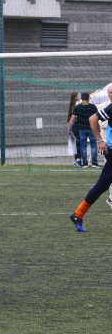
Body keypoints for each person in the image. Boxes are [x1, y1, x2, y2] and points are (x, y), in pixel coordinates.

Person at [69, 84, 112, 232]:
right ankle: (77, 214)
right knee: (102, 185)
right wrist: (100, 140)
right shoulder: (110, 108)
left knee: (103, 185)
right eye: (109, 93)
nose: (111, 95)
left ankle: (78, 214)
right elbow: (93, 119)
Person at [68, 92, 99, 168]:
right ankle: (94, 163)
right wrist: (98, 128)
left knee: (83, 146)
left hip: (81, 129)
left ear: (81, 98)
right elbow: (96, 118)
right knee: (94, 146)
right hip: (92, 128)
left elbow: (72, 119)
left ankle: (85, 163)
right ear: (88, 98)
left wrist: (69, 128)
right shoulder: (93, 107)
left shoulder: (77, 107)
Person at [68, 91, 83, 167]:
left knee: (77, 143)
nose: (80, 96)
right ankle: (78, 160)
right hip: (76, 126)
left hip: (75, 126)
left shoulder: (73, 105)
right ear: (75, 97)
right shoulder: (76, 105)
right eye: (79, 95)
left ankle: (77, 160)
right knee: (78, 143)